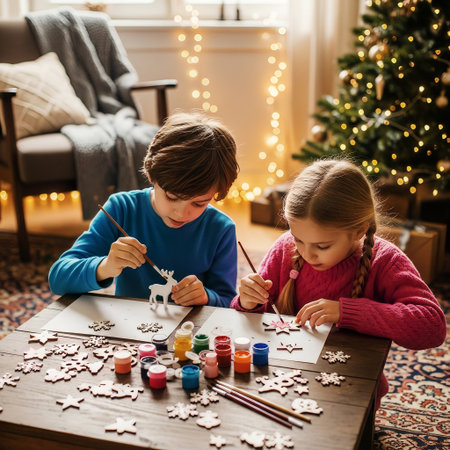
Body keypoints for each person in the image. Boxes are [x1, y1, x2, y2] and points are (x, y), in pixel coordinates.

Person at [231, 158, 446, 409]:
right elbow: (247, 324)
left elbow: (432, 327)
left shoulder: (386, 261)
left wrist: (348, 312)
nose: (308, 255)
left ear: (358, 231)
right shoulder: (285, 249)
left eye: (322, 246)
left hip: (351, 391)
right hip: (282, 379)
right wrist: (246, 303)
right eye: (298, 239)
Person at [49, 112, 240, 307]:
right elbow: (58, 279)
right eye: (172, 197)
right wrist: (105, 266)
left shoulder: (221, 229)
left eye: (199, 203)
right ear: (150, 173)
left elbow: (229, 301)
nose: (182, 213)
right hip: (128, 329)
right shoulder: (121, 209)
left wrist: (207, 297)